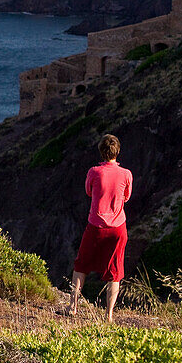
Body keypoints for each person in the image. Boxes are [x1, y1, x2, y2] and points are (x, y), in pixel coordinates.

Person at [68, 134, 132, 322]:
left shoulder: (94, 172)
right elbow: (126, 197)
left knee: (81, 266)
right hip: (118, 227)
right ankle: (109, 315)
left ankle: (73, 308)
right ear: (117, 151)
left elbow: (88, 191)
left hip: (96, 225)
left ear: (101, 151)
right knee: (115, 272)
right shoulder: (127, 174)